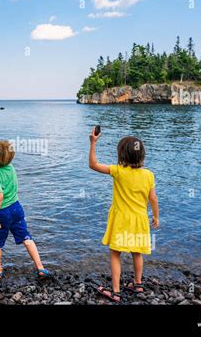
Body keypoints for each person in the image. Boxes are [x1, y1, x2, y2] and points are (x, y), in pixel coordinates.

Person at [89, 128, 159, 302]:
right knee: (137, 253)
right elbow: (153, 198)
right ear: (141, 155)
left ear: (121, 154)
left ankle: (116, 291)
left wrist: (93, 143)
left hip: (121, 220)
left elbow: (93, 165)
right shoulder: (148, 175)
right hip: (140, 219)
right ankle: (137, 284)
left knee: (115, 253)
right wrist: (156, 217)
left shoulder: (118, 171)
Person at [0, 140, 52, 279]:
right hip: (16, 208)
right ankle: (40, 268)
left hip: (2, 212)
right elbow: (5, 185)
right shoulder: (11, 168)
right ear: (11, 157)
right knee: (26, 237)